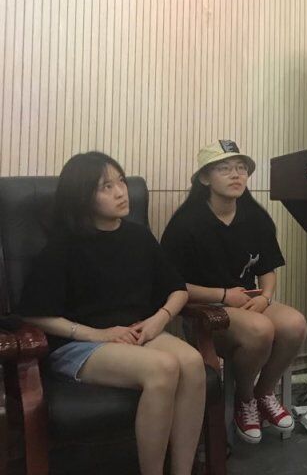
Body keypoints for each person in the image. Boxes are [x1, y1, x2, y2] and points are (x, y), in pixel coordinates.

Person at [16, 152, 205, 475]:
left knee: (193, 362)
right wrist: (98, 334)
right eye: (107, 186)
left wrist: (159, 319)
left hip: (137, 331)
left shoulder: (138, 236)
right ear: (83, 196)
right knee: (163, 368)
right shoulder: (64, 245)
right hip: (81, 344)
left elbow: (177, 289)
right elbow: (33, 314)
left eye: (121, 182)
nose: (121, 192)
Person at [160, 140, 307, 444]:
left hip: (249, 301)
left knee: (295, 324)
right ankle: (245, 398)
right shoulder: (185, 224)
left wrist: (265, 297)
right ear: (204, 178)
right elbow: (172, 284)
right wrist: (225, 296)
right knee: (260, 329)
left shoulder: (255, 217)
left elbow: (268, 269)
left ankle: (263, 393)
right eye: (224, 169)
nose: (236, 175)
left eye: (241, 168)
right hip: (205, 309)